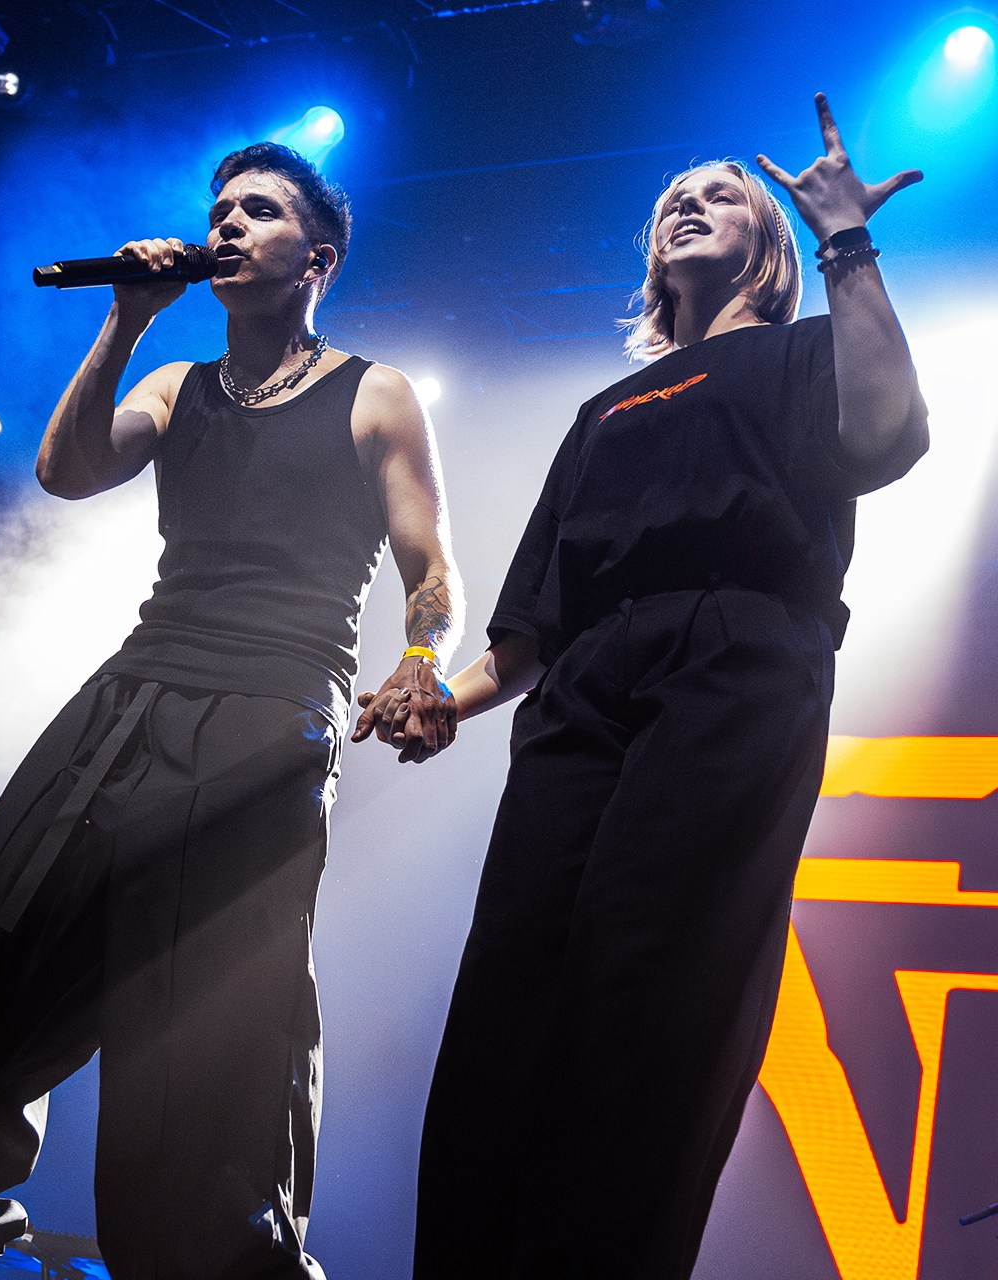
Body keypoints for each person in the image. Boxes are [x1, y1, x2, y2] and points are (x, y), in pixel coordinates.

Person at [0, 142, 462, 1280]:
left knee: (209, 1013)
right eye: (218, 209)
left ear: (314, 257)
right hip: (135, 689)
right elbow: (65, 472)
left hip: (271, 710)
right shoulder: (176, 384)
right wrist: (124, 322)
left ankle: (212, 1260)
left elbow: (431, 568)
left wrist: (419, 657)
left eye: (257, 211)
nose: (226, 223)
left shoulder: (375, 392)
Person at [360, 95, 929, 1277]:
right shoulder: (599, 409)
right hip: (585, 689)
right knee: (509, 990)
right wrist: (440, 701)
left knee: (649, 980)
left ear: (766, 242)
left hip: (735, 662)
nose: (684, 200)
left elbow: (884, 439)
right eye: (671, 195)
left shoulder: (801, 346)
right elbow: (531, 623)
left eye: (719, 191)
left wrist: (846, 245)